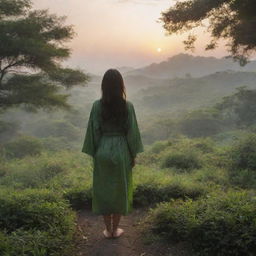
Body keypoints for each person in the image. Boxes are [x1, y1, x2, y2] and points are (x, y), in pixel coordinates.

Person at [81, 69, 144, 239]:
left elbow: (93, 132)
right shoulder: (128, 106)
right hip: (122, 150)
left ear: (103, 86)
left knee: (103, 189)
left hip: (102, 149)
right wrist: (133, 155)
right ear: (121, 86)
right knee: (119, 189)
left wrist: (95, 152)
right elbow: (132, 133)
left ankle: (107, 229)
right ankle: (115, 230)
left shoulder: (96, 105)